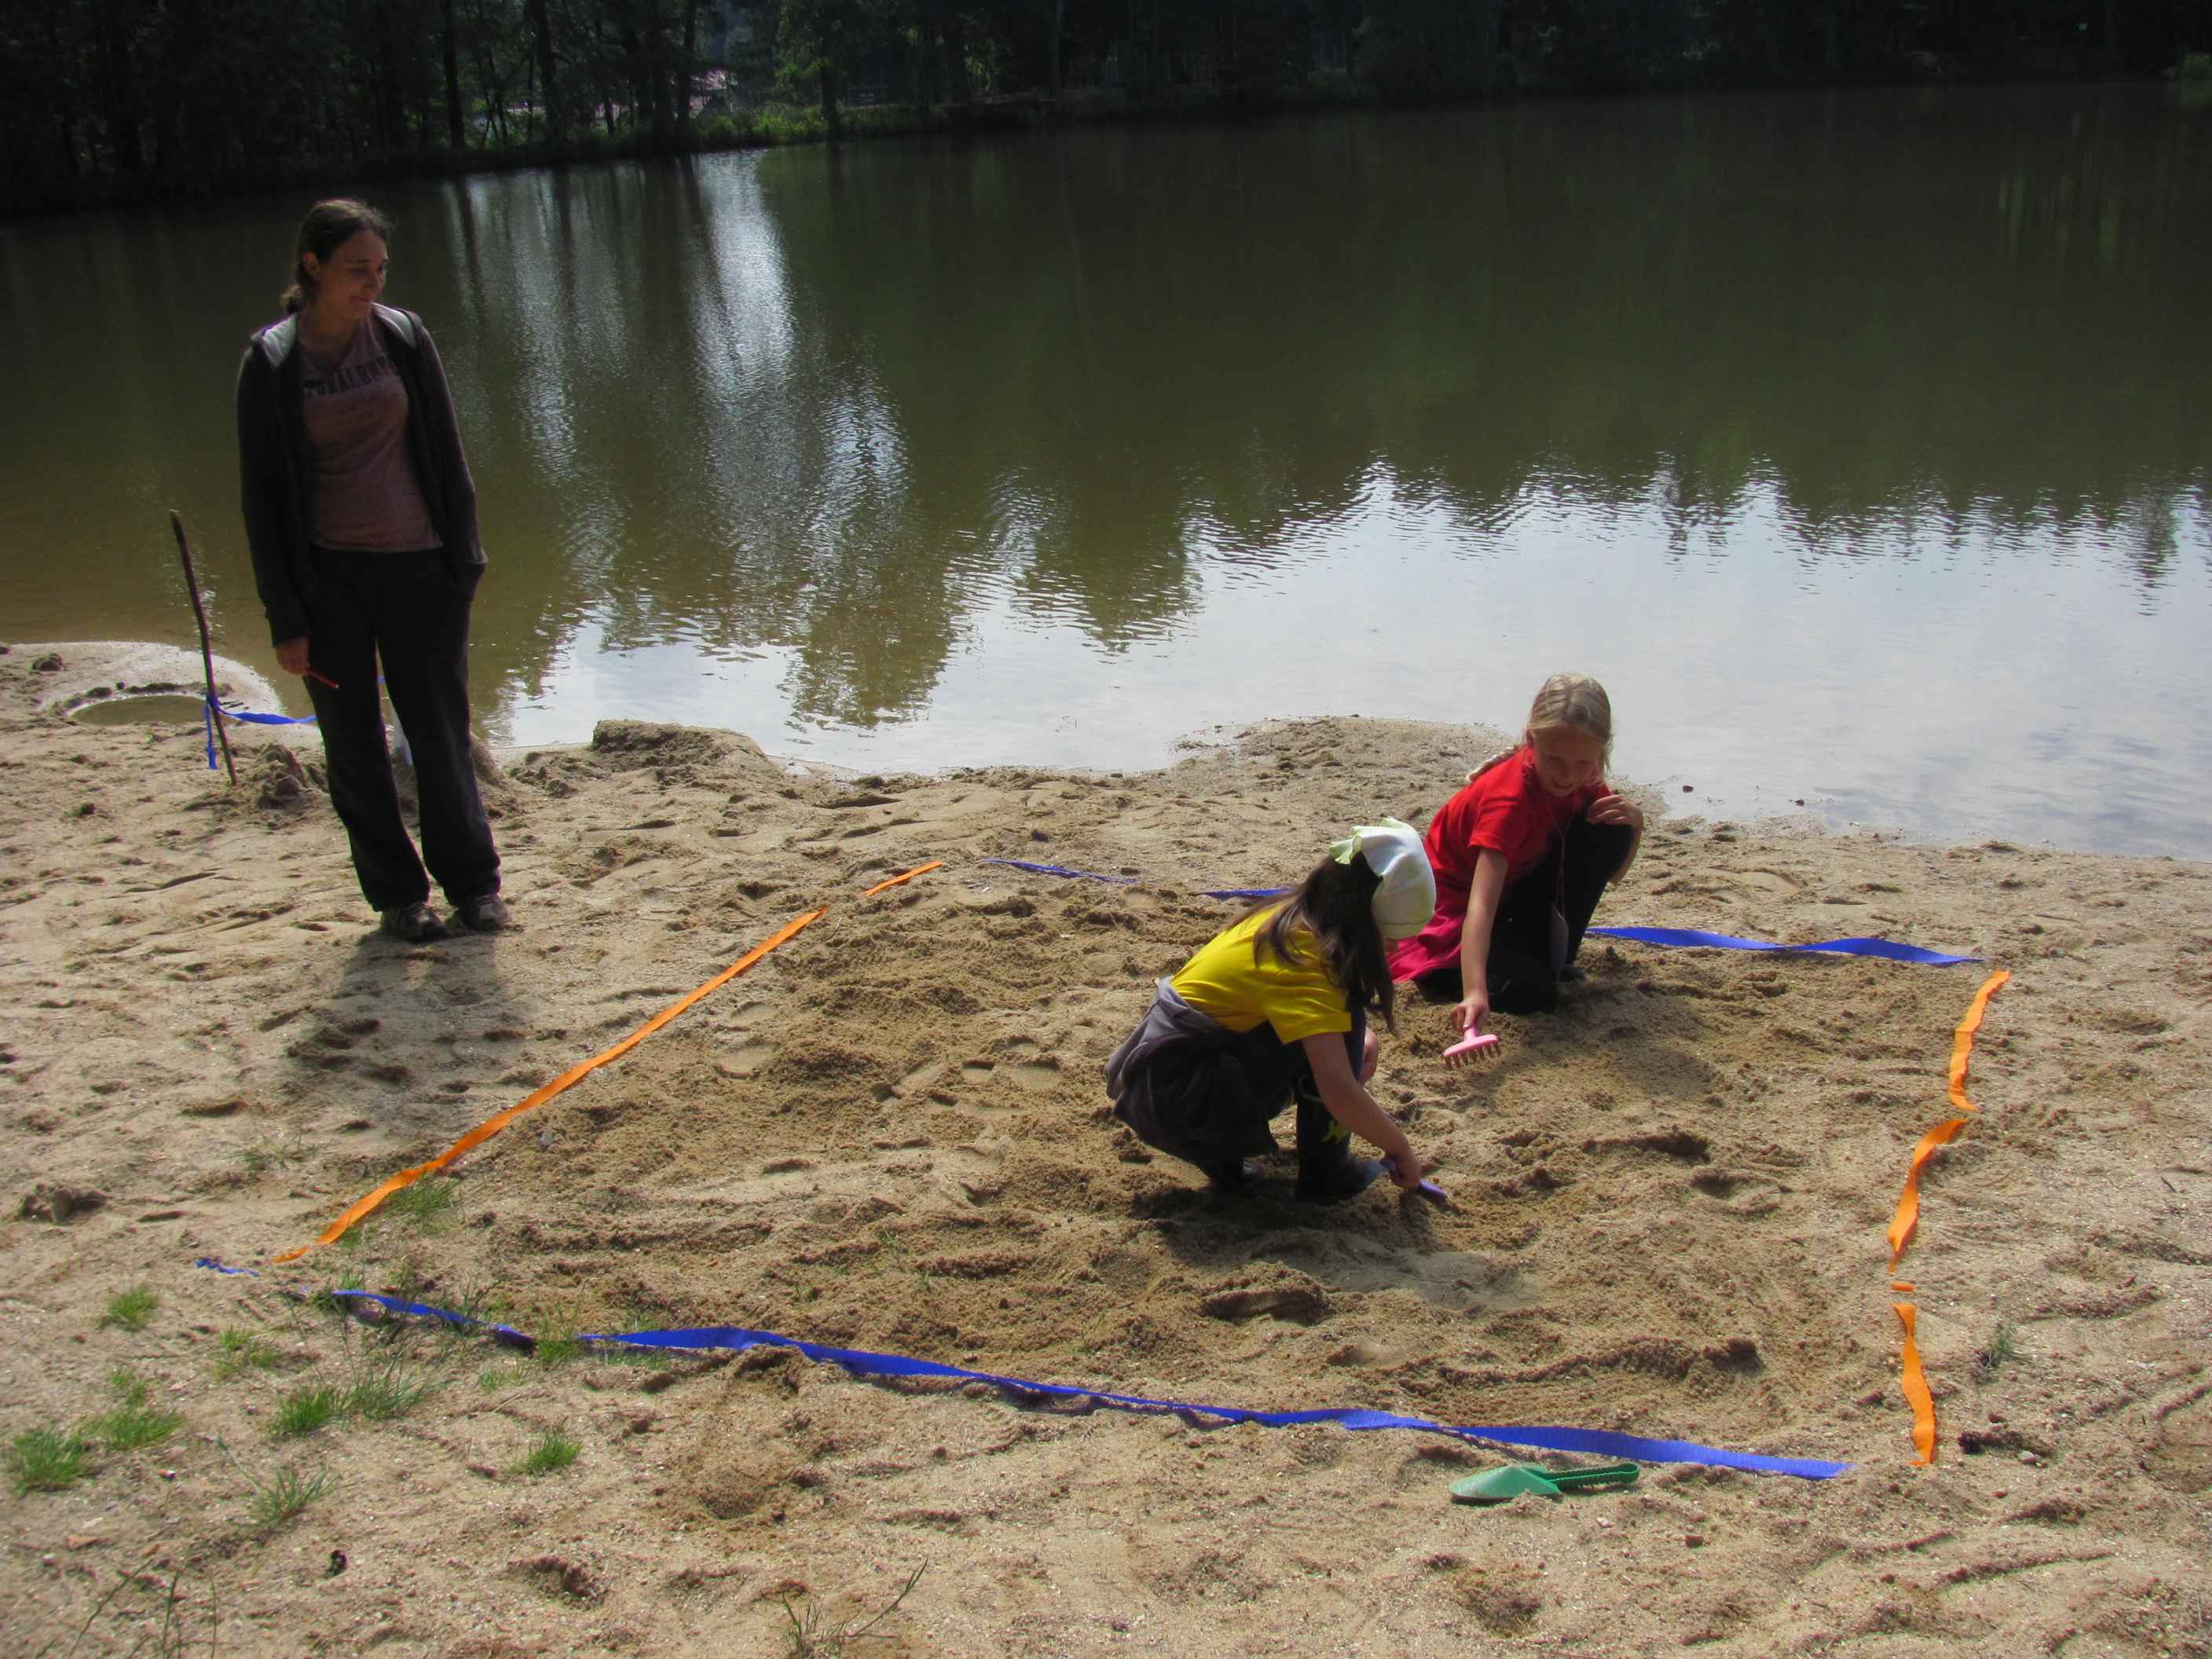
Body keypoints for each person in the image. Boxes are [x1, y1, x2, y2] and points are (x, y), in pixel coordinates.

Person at [235, 199, 509, 943]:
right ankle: (398, 898)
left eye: (381, 269)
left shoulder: (402, 336)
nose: (372, 284)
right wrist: (286, 618)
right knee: (354, 744)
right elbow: (262, 501)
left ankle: (474, 887)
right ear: (313, 267)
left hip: (421, 569)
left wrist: (465, 561)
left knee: (440, 733)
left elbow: (447, 452)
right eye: (358, 270)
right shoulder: (273, 362)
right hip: (329, 584)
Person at [1104, 819, 1436, 1200]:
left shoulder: (1291, 916)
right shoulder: (1306, 959)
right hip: (1177, 1098)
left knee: (1345, 1030)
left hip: (1159, 1082)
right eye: (1390, 939)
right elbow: (1339, 1090)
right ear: (1362, 920)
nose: (1394, 950)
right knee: (1348, 1024)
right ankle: (1328, 1174)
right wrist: (1400, 1149)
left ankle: (1222, 1157)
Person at [1389, 672, 1643, 1033]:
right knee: (1532, 995)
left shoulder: (1584, 779)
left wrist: (1636, 827)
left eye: (1583, 763)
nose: (1567, 776)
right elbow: (1480, 904)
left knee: (1614, 824)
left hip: (1517, 891)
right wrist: (1475, 992)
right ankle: (1449, 978)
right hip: (1453, 910)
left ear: (1599, 753)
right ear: (1531, 740)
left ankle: (1554, 960)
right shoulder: (1509, 803)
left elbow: (1613, 874)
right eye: (1554, 760)